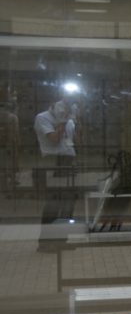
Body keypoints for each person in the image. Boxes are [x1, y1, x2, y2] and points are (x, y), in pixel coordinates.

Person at [34, 99, 77, 230]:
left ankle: (63, 234)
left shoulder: (69, 120)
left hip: (68, 161)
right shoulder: (42, 118)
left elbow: (76, 141)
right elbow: (55, 139)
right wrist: (61, 121)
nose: (65, 110)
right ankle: (47, 237)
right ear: (53, 105)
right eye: (63, 106)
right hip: (52, 161)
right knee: (53, 201)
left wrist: (77, 120)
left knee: (68, 201)